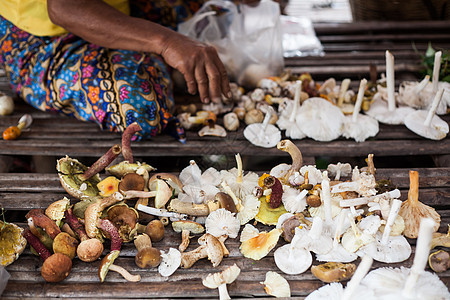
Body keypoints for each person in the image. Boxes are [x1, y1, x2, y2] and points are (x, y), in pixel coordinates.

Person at [0, 0, 233, 141]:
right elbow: (64, 8)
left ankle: (143, 49)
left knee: (214, 9)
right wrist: (165, 42)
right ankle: (145, 56)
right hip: (45, 35)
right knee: (139, 109)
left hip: (116, 8)